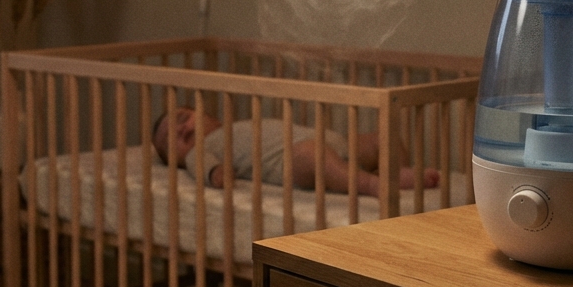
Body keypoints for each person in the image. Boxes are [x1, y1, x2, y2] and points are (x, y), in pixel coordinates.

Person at [151, 106, 439, 194]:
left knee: (381, 137)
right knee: (311, 153)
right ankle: (370, 183)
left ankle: (392, 172)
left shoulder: (238, 126)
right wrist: (216, 174)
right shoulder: (202, 149)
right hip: (293, 162)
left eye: (181, 118)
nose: (180, 130)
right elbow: (201, 164)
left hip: (337, 145)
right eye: (171, 140)